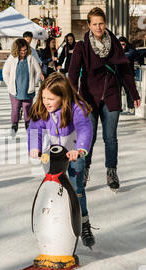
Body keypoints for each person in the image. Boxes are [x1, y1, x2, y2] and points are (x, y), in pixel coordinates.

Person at [68, 7, 140, 191]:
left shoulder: (114, 44)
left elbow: (125, 70)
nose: (98, 27)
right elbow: (74, 73)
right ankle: (84, 170)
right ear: (89, 25)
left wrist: (134, 94)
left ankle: (111, 171)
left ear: (105, 23)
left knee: (110, 138)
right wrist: (72, 97)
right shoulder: (82, 46)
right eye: (95, 24)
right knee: (88, 138)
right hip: (89, 98)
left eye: (101, 23)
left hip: (111, 96)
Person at [27, 72, 95, 249]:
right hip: (53, 155)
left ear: (63, 96)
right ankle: (55, 223)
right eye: (43, 97)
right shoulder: (43, 109)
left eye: (51, 98)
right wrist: (35, 147)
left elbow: (85, 128)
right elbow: (34, 127)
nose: (46, 102)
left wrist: (79, 149)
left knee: (77, 189)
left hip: (74, 154)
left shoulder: (76, 108)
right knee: (53, 188)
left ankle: (84, 223)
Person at [2, 38, 41, 135]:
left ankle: (28, 123)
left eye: (25, 50)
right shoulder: (12, 59)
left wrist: (35, 83)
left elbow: (38, 71)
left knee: (27, 108)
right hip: (15, 90)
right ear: (16, 49)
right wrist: (9, 84)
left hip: (28, 89)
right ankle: (14, 124)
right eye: (21, 50)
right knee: (15, 108)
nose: (23, 52)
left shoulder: (31, 58)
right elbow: (5, 72)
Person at [119, 36, 138, 114]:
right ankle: (118, 108)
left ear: (126, 44)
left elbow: (128, 57)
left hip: (128, 75)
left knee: (129, 91)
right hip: (118, 75)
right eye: (120, 45)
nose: (122, 47)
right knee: (117, 92)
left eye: (123, 44)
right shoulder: (117, 51)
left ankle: (131, 108)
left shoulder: (131, 50)